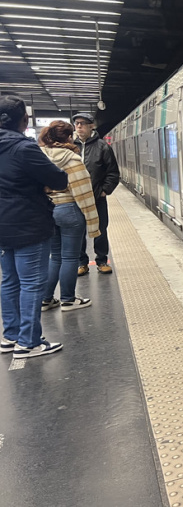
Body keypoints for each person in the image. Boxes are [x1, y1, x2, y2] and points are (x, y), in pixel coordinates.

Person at [0, 95, 68, 359]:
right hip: (28, 223)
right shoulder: (23, 148)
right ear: (24, 120)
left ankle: (11, 336)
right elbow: (58, 179)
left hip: (3, 226)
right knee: (31, 283)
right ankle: (29, 342)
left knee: (9, 280)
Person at [39, 120, 100, 312]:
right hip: (69, 210)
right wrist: (92, 221)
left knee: (55, 256)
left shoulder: (39, 157)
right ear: (68, 137)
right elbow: (83, 192)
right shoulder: (71, 159)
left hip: (49, 210)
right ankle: (67, 299)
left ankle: (46, 299)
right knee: (70, 257)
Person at [72, 112, 119, 276]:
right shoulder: (70, 146)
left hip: (96, 196)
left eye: (83, 123)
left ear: (91, 126)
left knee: (100, 230)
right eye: (77, 123)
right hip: (75, 198)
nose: (79, 126)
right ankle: (81, 262)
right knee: (78, 231)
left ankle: (101, 261)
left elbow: (112, 172)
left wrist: (105, 191)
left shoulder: (102, 147)